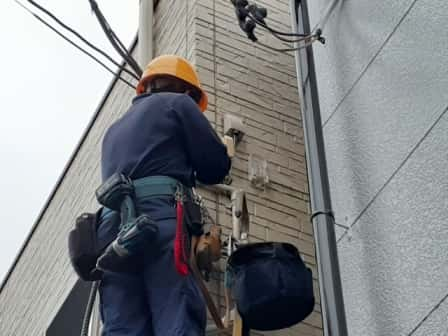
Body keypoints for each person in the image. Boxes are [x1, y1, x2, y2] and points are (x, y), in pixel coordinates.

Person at [95, 55, 231, 336]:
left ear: (146, 87)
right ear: (186, 90)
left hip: (113, 232)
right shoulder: (178, 104)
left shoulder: (112, 131)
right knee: (175, 312)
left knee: (123, 325)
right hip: (158, 218)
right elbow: (214, 167)